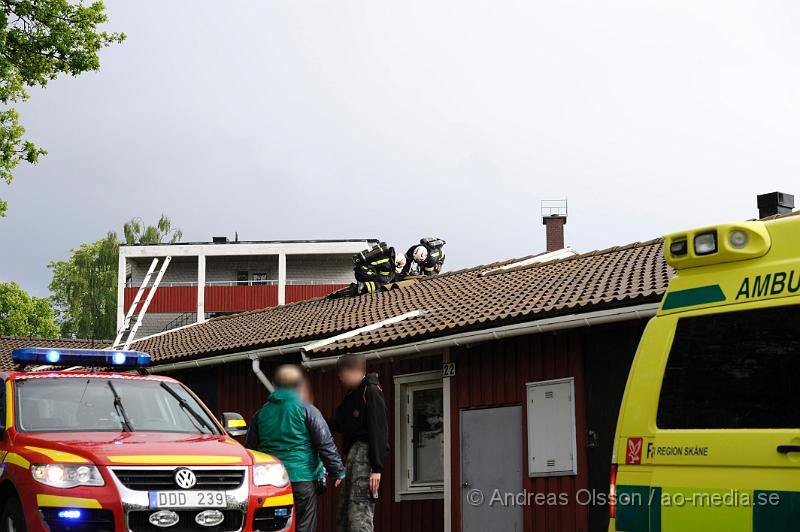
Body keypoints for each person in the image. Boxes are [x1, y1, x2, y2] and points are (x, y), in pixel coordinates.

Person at [245, 365, 345, 532]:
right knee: (304, 524)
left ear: (275, 385)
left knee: (275, 525)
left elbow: (250, 450)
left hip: (273, 481)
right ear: (298, 385)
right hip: (302, 478)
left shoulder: (261, 414)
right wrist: (337, 471)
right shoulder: (307, 409)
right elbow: (325, 442)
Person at [327, 354, 388, 532]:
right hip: (352, 456)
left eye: (342, 374)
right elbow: (337, 423)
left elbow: (379, 428)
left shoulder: (370, 391)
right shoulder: (351, 395)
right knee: (345, 513)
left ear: (353, 371)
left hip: (366, 456)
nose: (340, 378)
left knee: (359, 512)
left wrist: (376, 469)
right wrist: (312, 417)